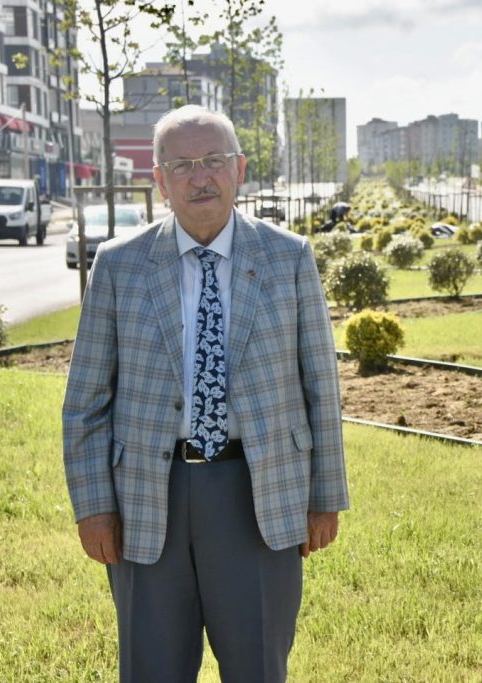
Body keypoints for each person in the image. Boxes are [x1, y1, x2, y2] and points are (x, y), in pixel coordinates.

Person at [62, 104, 349, 683]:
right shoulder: (119, 265)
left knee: (257, 667)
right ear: (160, 180)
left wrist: (326, 495)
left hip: (258, 493)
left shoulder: (288, 257)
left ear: (239, 169)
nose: (201, 177)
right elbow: (87, 400)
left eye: (213, 161)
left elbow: (321, 384)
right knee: (152, 669)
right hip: (147, 496)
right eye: (183, 164)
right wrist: (93, 507)